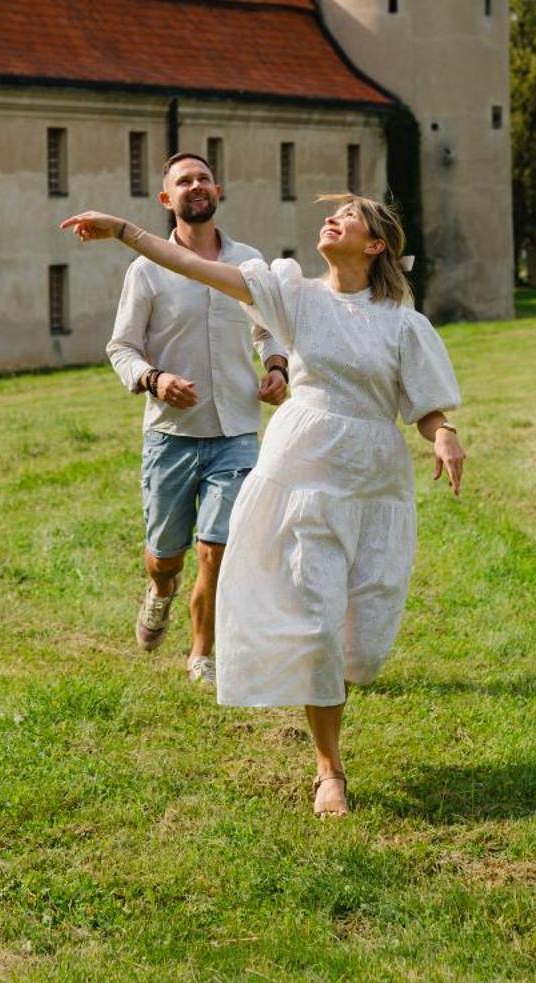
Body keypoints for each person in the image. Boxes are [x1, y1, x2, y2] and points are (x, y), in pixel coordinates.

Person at [63, 193, 465, 816]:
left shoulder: (400, 322)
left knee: (365, 635)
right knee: (319, 619)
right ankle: (329, 770)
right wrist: (123, 231)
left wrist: (442, 432)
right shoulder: (292, 293)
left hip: (374, 481)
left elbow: (422, 401)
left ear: (376, 246)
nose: (332, 218)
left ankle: (330, 704)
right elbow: (194, 267)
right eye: (333, 213)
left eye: (350, 217)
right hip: (303, 471)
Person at [106, 150, 288, 687]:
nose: (197, 186)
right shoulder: (146, 269)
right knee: (167, 557)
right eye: (184, 181)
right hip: (171, 435)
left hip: (236, 430)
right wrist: (155, 379)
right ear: (167, 200)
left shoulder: (247, 262)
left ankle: (202, 652)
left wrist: (276, 365)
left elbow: (268, 327)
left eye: (205, 178)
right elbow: (121, 347)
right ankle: (159, 593)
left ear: (219, 190)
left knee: (216, 548)